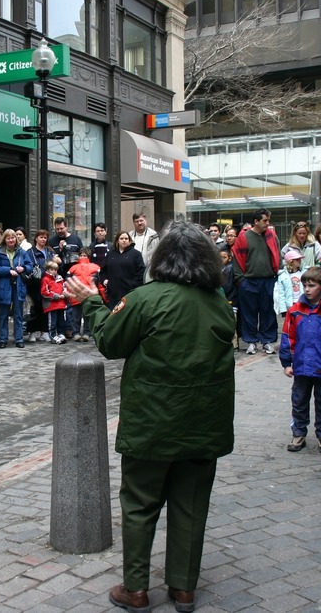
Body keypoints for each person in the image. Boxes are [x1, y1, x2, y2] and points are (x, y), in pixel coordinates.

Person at [65, 221, 234, 613]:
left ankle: (137, 588)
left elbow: (110, 341)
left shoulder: (146, 298)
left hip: (151, 424)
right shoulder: (218, 302)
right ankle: (184, 588)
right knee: (191, 505)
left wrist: (92, 302)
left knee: (140, 505)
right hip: (203, 424)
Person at [280, 266, 321, 454]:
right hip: (302, 365)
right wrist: (287, 363)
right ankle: (298, 432)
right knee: (299, 400)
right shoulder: (295, 310)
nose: (307, 289)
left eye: (312, 285)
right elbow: (288, 336)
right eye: (305, 286)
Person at [232, 209, 282, 355]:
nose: (268, 224)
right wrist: (241, 280)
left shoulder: (272, 236)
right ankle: (251, 341)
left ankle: (267, 341)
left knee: (268, 312)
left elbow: (277, 255)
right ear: (256, 221)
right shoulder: (244, 237)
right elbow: (237, 259)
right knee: (249, 313)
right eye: (265, 220)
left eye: (268, 220)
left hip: (268, 280)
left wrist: (276, 274)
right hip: (249, 281)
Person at [0, 229, 31, 348]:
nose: (11, 240)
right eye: (8, 238)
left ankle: (19, 339)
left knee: (18, 314)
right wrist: (8, 271)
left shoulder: (22, 252)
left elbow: (30, 266)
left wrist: (23, 269)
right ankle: (3, 339)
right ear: (5, 239)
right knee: (3, 315)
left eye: (13, 238)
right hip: (4, 286)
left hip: (18, 285)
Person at [100, 231, 145, 311]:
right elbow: (103, 270)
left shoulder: (136, 254)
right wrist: (105, 281)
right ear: (117, 240)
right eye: (121, 238)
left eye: (126, 238)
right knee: (114, 319)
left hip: (130, 294)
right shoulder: (110, 254)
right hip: (113, 294)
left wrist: (133, 285)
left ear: (129, 240)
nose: (124, 240)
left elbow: (140, 272)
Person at [66, 248, 100, 341]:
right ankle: (76, 333)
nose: (82, 257)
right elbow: (68, 282)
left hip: (89, 294)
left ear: (88, 256)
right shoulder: (73, 268)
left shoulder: (95, 267)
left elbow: (99, 282)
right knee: (75, 316)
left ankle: (87, 333)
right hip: (76, 295)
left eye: (84, 255)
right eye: (81, 255)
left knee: (87, 316)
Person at [24, 230, 51, 343]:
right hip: (34, 283)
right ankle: (32, 332)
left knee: (45, 307)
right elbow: (28, 266)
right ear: (36, 238)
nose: (43, 240)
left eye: (45, 238)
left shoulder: (49, 251)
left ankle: (44, 331)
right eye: (41, 237)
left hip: (46, 282)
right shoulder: (30, 252)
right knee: (34, 307)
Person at [40, 260, 67, 344]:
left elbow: (64, 288)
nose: (54, 271)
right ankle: (53, 335)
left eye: (55, 270)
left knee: (61, 321)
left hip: (61, 304)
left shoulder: (60, 279)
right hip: (51, 305)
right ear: (48, 269)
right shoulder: (45, 279)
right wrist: (56, 296)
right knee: (52, 322)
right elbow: (44, 292)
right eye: (52, 269)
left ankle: (61, 334)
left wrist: (64, 294)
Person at [276, 250, 302, 318]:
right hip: (290, 305)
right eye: (297, 259)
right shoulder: (282, 276)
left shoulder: (303, 273)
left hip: (302, 303)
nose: (300, 260)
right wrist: (283, 309)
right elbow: (281, 294)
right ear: (291, 261)